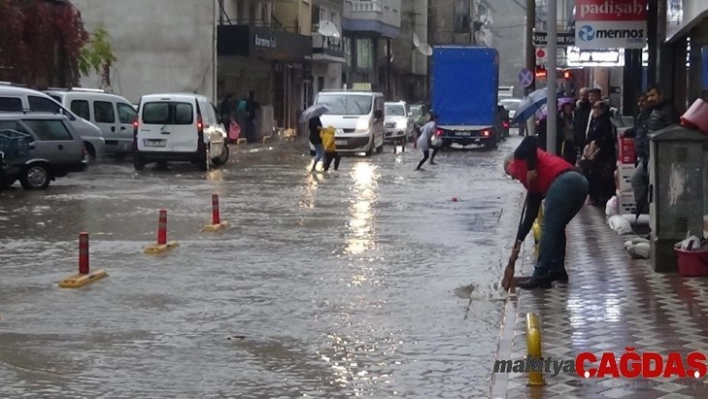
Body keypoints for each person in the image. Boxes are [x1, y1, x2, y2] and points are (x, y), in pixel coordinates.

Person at [503, 136, 589, 289]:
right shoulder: (532, 185)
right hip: (580, 183)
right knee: (557, 226)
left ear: (511, 164)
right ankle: (557, 270)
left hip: (564, 181)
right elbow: (530, 216)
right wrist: (519, 240)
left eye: (510, 174)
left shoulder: (519, 157)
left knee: (548, 229)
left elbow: (530, 140)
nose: (513, 178)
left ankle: (540, 274)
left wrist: (531, 168)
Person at [630, 85, 680, 214]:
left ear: (661, 95)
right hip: (648, 155)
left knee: (655, 185)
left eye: (653, 95)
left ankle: (656, 212)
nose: (650, 98)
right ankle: (644, 209)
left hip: (660, 156)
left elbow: (671, 133)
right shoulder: (651, 111)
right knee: (636, 179)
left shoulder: (668, 111)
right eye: (648, 96)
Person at [580, 101, 616, 207]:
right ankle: (595, 197)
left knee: (599, 177)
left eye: (597, 108)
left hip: (602, 155)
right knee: (592, 175)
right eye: (594, 108)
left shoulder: (605, 122)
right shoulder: (595, 121)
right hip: (595, 156)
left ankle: (599, 198)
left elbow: (608, 138)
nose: (595, 110)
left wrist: (597, 142)